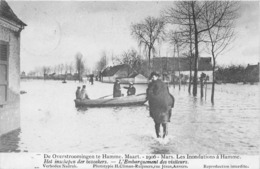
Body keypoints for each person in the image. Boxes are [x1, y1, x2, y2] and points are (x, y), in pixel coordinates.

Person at [147, 72, 174, 138]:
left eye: (153, 77)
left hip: (158, 106)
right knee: (164, 122)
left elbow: (149, 93)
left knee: (157, 122)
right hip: (166, 105)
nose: (152, 79)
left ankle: (158, 137)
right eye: (152, 77)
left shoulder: (152, 84)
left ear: (156, 77)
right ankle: (165, 137)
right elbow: (168, 93)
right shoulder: (163, 84)